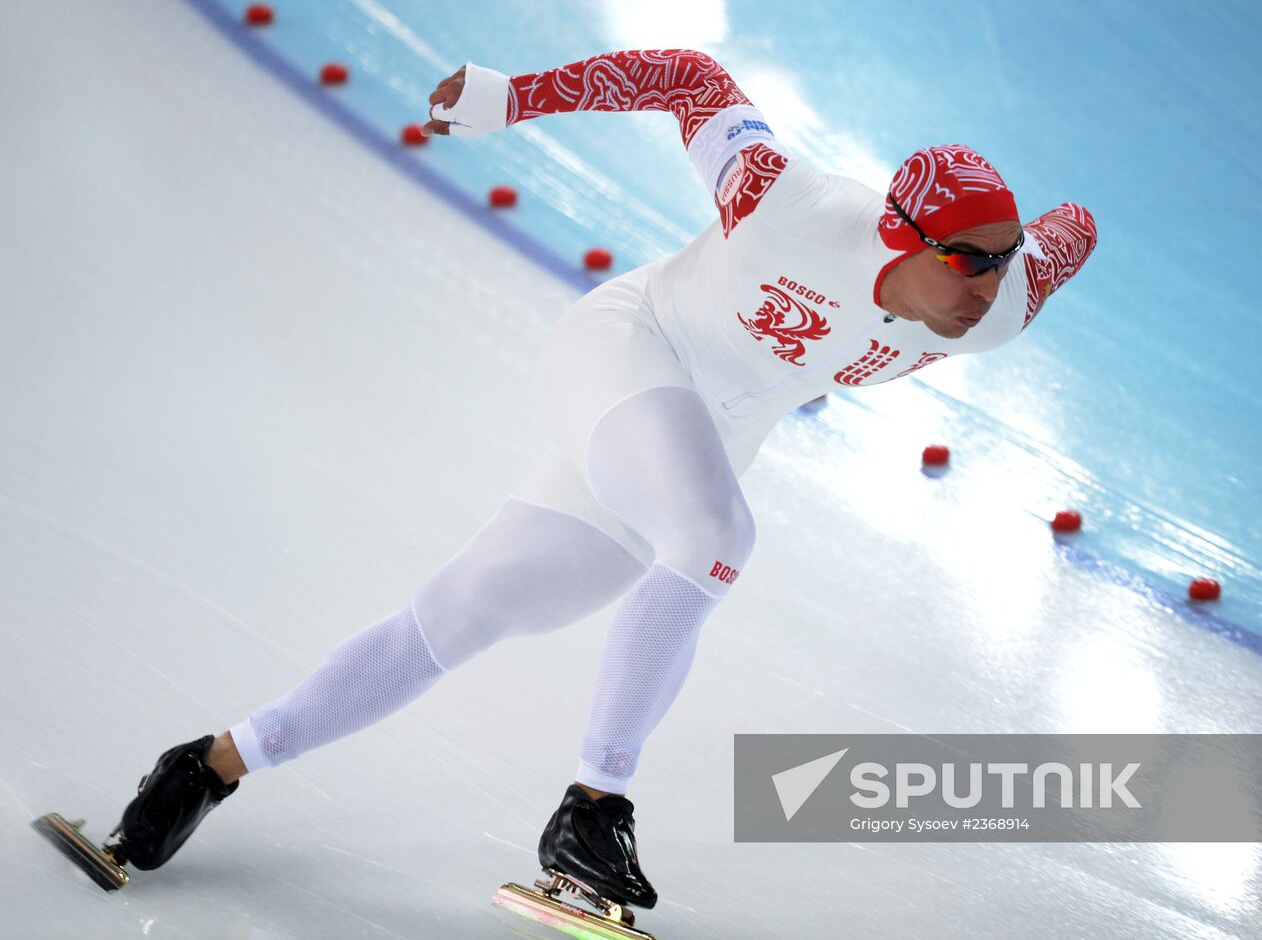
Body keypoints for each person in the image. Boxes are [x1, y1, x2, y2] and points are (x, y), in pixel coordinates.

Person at [37, 49, 1096, 911]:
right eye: (966, 259)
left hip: (701, 434)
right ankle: (593, 809)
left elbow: (1068, 233)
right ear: (898, 235)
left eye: (1001, 257)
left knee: (459, 615)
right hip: (623, 356)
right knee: (715, 537)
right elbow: (687, 79)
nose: (988, 282)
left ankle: (206, 766)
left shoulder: (996, 307)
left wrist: (1045, 236)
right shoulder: (783, 202)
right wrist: (510, 98)